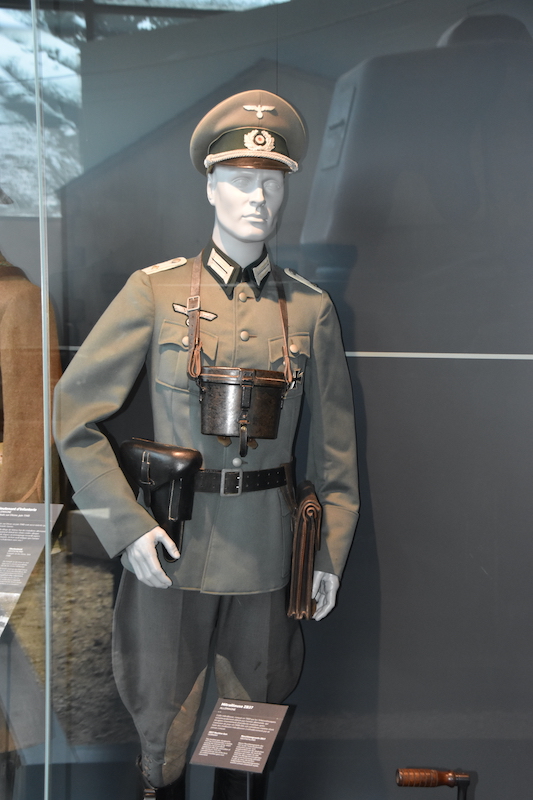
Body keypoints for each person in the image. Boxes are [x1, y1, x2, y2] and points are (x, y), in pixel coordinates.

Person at [53, 90, 359, 800]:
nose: (259, 197)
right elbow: (74, 414)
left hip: (268, 559)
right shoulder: (154, 293)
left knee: (245, 741)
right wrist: (127, 527)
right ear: (211, 186)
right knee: (161, 736)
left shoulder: (309, 309)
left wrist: (327, 554)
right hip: (171, 550)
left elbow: (334, 456)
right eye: (242, 179)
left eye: (272, 181)